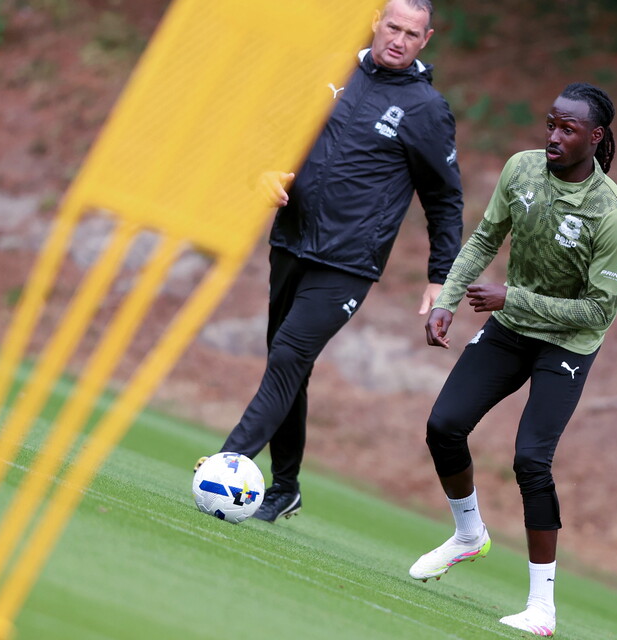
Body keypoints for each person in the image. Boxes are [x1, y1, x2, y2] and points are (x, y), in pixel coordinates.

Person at [197, 0, 463, 523]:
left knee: (289, 355)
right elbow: (276, 135)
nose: (399, 39)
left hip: (347, 263)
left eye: (412, 33)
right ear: (375, 22)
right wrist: (264, 173)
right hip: (291, 240)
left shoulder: (426, 110)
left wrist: (440, 275)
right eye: (393, 26)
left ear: (425, 40)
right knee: (287, 362)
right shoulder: (330, 72)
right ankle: (287, 487)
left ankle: (227, 466)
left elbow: (445, 198)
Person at [408, 82, 617, 637]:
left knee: (531, 460)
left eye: (568, 129)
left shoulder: (612, 214)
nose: (553, 136)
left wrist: (513, 296)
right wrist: (449, 300)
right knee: (444, 425)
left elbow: (599, 311)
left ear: (595, 136)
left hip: (567, 343)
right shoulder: (522, 170)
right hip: (511, 328)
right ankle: (468, 535)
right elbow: (485, 239)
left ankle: (542, 609)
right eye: (551, 123)